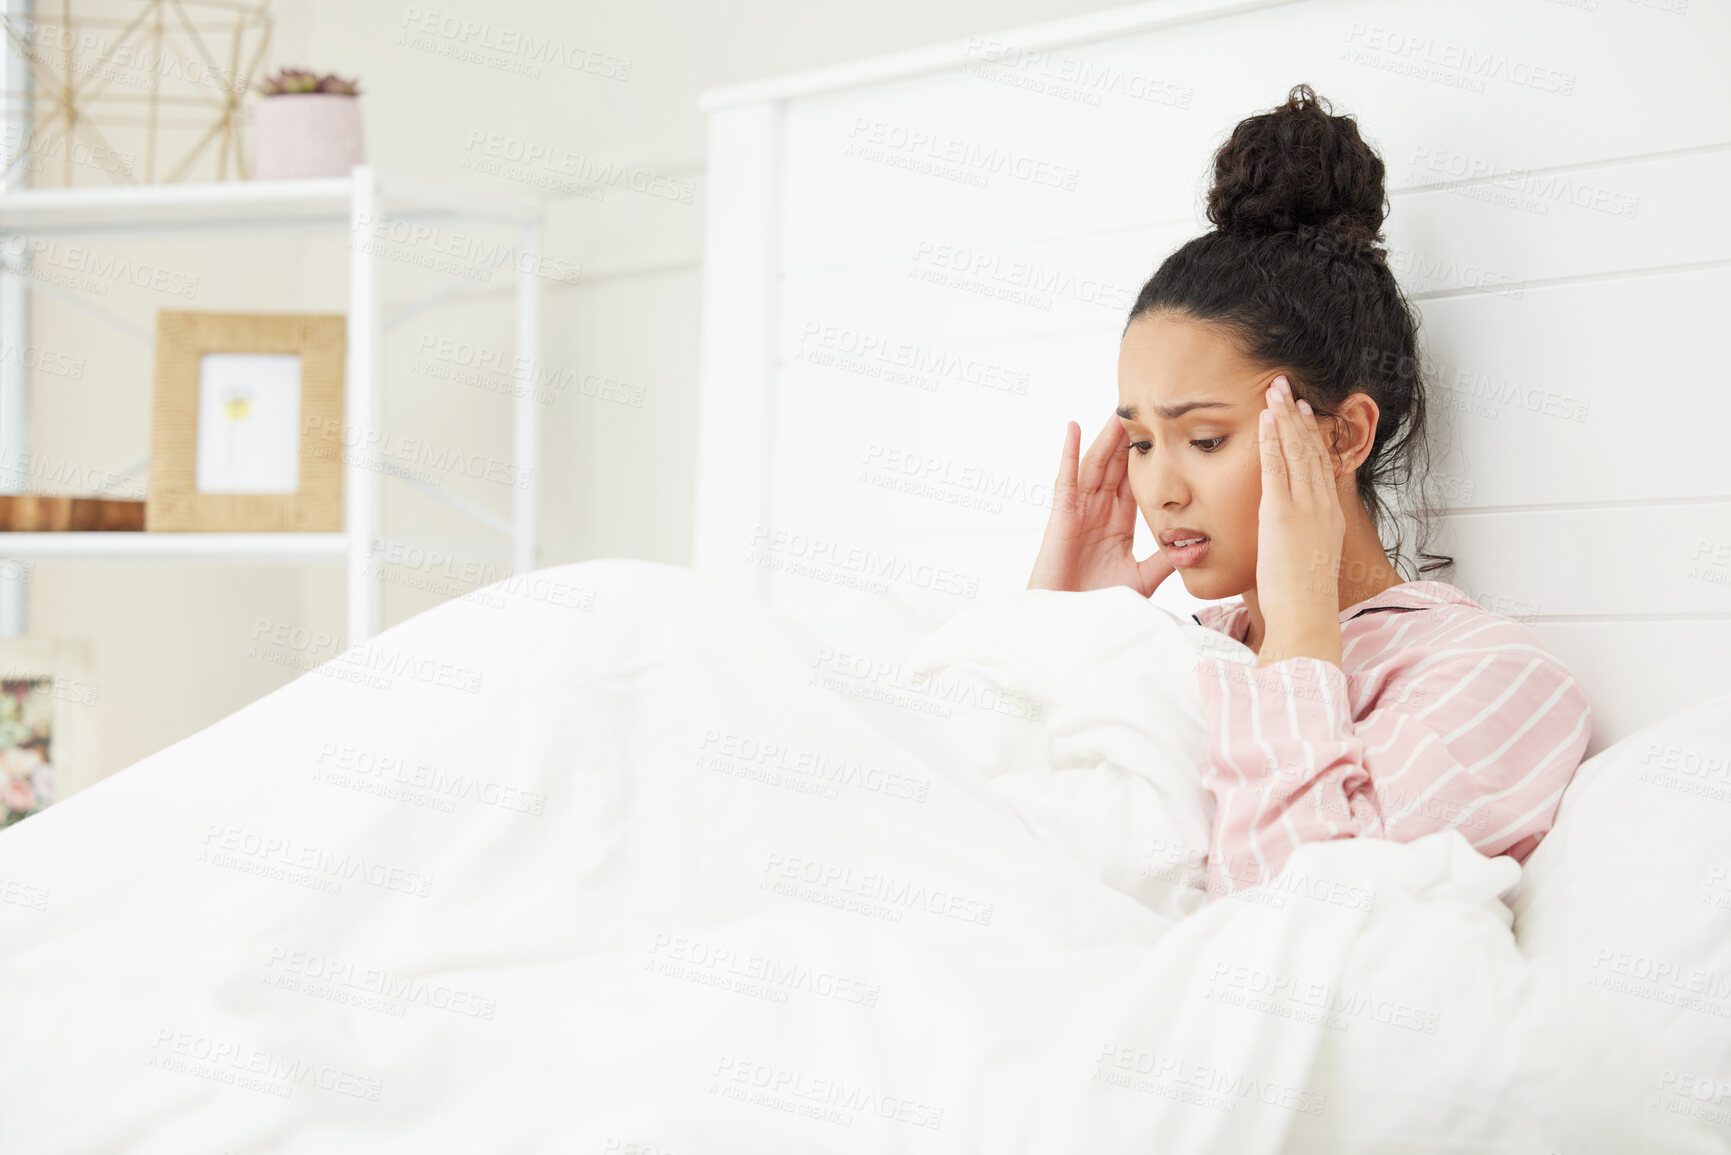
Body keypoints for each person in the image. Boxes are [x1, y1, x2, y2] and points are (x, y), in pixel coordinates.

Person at [1026, 83, 1592, 904]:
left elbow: (1303, 925)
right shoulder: (1176, 649)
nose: (1159, 489)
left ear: (1341, 436)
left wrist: (1297, 628)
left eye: (1205, 439)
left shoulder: (1492, 679)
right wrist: (1065, 637)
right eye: (1141, 443)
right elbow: (989, 861)